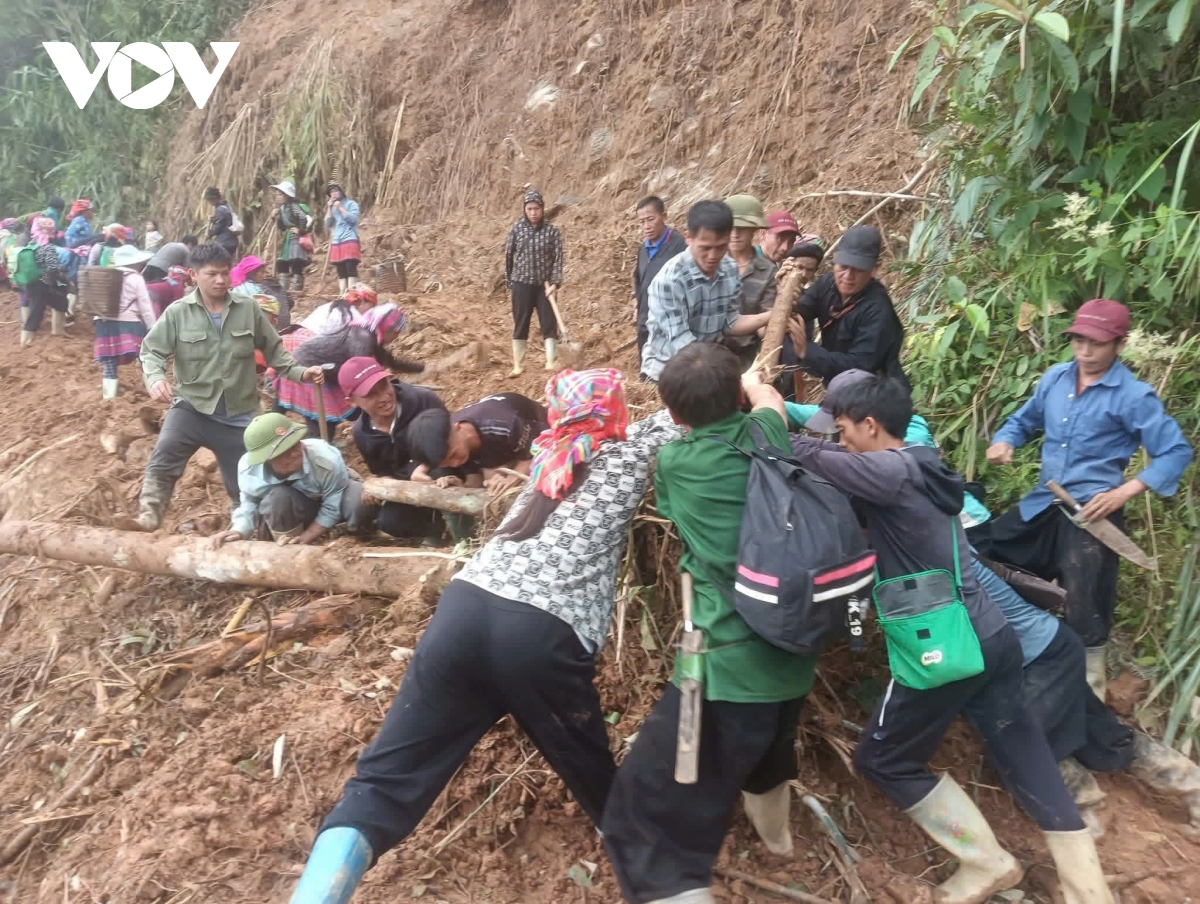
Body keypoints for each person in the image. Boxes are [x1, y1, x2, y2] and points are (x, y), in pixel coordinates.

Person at [287, 372, 684, 904]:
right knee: (597, 781)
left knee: (381, 783)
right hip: (541, 632)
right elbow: (688, 409)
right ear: (615, 414)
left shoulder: (544, 460)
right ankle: (665, 885)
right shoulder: (630, 449)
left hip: (463, 609)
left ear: (558, 416)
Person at [786, 374, 1111, 904]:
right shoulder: (922, 460)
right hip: (992, 634)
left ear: (871, 427)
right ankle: (1089, 890)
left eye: (844, 431)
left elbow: (810, 456)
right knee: (1025, 750)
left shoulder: (888, 470)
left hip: (944, 646)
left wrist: (767, 413)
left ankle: (986, 863)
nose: (840, 441)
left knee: (882, 759)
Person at [602, 344, 820, 904]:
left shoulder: (677, 461)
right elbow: (769, 400)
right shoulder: (769, 434)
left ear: (674, 416)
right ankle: (779, 843)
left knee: (645, 817)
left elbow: (670, 510)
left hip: (723, 667)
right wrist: (751, 388)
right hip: (795, 652)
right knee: (771, 755)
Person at [983, 299, 1192, 698]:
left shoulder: (1133, 395)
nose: (1085, 351)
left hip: (1093, 513)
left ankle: (1088, 693)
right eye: (1079, 340)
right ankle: (1017, 650)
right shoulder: (1056, 379)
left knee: (1086, 602)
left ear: (1119, 344)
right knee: (987, 553)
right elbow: (1023, 421)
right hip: (1045, 503)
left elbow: (1175, 451)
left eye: (1096, 343)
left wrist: (1124, 492)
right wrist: (1005, 441)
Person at [133, 242, 324, 531]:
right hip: (191, 407)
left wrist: (302, 372)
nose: (221, 280)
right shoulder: (178, 313)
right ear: (194, 275)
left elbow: (276, 352)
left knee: (243, 484)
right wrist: (156, 378)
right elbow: (151, 351)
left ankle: (246, 536)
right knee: (164, 456)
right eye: (212, 274)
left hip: (238, 414)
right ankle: (148, 517)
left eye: (225, 273)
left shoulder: (248, 309)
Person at [640, 200, 774, 383]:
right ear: (688, 238)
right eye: (705, 248)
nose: (713, 256)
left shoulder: (729, 269)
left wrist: (771, 316)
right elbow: (684, 345)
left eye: (720, 247)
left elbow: (729, 321)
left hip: (705, 366)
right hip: (668, 373)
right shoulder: (670, 281)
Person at [780, 224, 908, 390]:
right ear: (835, 261)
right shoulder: (826, 284)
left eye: (858, 269)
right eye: (843, 267)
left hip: (872, 394)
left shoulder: (879, 310)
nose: (848, 276)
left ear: (874, 269)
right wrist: (784, 293)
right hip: (838, 390)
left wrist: (807, 352)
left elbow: (858, 367)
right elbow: (798, 311)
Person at [211, 413, 362, 547]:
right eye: (285, 452)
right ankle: (285, 544)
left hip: (328, 501)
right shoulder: (248, 470)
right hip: (290, 510)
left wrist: (305, 538)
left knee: (358, 498)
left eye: (295, 444)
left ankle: (349, 534)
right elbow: (249, 503)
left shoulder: (326, 458)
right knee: (279, 498)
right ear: (266, 460)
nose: (295, 454)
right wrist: (239, 530)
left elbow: (331, 507)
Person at [341, 358, 448, 540]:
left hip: (439, 471)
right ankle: (436, 532)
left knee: (442, 474)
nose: (383, 397)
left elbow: (450, 443)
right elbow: (383, 472)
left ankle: (459, 524)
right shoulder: (361, 432)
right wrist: (378, 487)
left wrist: (422, 468)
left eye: (384, 386)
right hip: (406, 488)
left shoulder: (423, 401)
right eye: (371, 394)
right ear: (352, 401)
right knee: (390, 522)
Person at [280, 303, 421, 438]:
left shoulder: (369, 334)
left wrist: (420, 368)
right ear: (386, 329)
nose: (397, 337)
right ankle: (318, 448)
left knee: (336, 415)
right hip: (308, 369)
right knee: (324, 422)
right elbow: (361, 374)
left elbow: (388, 360)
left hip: (328, 368)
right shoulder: (362, 339)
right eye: (396, 333)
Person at [407, 392, 548, 488]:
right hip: (497, 451)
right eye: (447, 462)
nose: (455, 463)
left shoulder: (503, 425)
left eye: (454, 455)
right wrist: (461, 486)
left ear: (458, 428)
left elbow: (535, 452)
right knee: (491, 483)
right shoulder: (452, 442)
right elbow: (477, 481)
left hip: (542, 434)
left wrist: (511, 479)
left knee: (505, 486)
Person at [503, 189, 564, 375]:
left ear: (542, 208)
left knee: (549, 323)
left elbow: (558, 259)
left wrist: (555, 283)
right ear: (524, 209)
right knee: (521, 322)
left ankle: (551, 361)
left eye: (536, 208)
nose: (533, 213)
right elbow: (508, 256)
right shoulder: (517, 230)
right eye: (529, 209)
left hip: (544, 286)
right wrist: (510, 280)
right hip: (521, 283)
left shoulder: (552, 231)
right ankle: (518, 365)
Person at [95, 245, 158, 399]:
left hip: (104, 323)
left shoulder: (105, 276)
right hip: (128, 322)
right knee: (145, 357)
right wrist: (153, 328)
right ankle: (155, 391)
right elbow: (145, 306)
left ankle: (108, 397)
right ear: (135, 263)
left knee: (109, 363)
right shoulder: (136, 278)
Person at [722, 195, 778, 368]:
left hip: (746, 361)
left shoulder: (768, 272)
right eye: (730, 227)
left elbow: (765, 329)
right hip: (707, 355)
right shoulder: (711, 263)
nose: (735, 234)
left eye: (742, 228)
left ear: (754, 229)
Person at [633, 195, 687, 355]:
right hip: (645, 319)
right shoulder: (643, 249)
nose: (646, 226)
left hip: (669, 321)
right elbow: (638, 278)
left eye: (651, 219)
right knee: (645, 368)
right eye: (642, 222)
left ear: (664, 216)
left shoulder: (680, 246)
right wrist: (636, 303)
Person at [21, 217, 71, 347]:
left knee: (60, 302)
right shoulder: (48, 247)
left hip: (31, 283)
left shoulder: (31, 244)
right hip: (43, 284)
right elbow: (52, 268)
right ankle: (25, 343)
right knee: (36, 314)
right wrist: (59, 280)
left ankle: (58, 332)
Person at [272, 180, 313, 295]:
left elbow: (303, 218)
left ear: (286, 195)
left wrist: (300, 230)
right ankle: (283, 291)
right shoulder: (282, 209)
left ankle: (296, 291)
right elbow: (282, 227)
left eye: (279, 194)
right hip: (288, 237)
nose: (277, 197)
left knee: (296, 263)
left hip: (296, 238)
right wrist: (275, 217)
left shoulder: (293, 206)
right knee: (282, 263)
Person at [231, 254, 289, 329]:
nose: (263, 275)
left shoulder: (238, 288)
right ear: (252, 274)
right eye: (261, 272)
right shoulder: (255, 289)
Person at [325, 182, 361, 294]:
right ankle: (342, 294)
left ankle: (352, 294)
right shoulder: (332, 207)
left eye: (336, 190)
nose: (334, 193)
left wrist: (340, 208)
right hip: (337, 240)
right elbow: (328, 223)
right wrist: (329, 208)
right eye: (331, 192)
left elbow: (353, 219)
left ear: (341, 191)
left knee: (350, 267)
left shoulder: (351, 204)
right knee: (340, 270)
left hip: (350, 238)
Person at [301, 284, 378, 335]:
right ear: (361, 302)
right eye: (371, 307)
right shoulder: (354, 317)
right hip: (307, 346)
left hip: (295, 336)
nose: (371, 312)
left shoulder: (329, 306)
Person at [203, 187, 239, 257]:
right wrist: (214, 220)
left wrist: (209, 233)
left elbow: (219, 227)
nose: (210, 203)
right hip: (232, 240)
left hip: (225, 242)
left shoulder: (220, 210)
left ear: (215, 199)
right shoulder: (227, 206)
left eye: (210, 200)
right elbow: (225, 222)